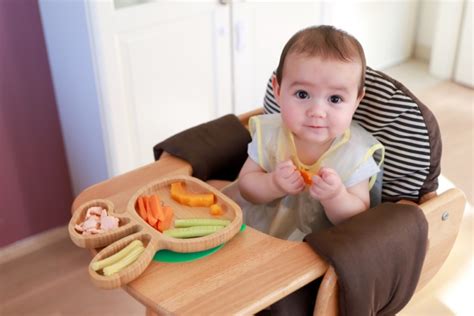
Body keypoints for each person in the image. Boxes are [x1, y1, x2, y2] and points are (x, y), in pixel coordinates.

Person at [226, 25, 384, 241]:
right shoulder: (271, 134)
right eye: (302, 94)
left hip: (312, 248)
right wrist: (273, 183)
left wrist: (336, 197)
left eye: (335, 99)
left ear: (357, 100)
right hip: (256, 232)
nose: (317, 112)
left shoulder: (354, 154)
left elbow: (358, 215)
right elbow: (246, 186)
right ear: (278, 90)